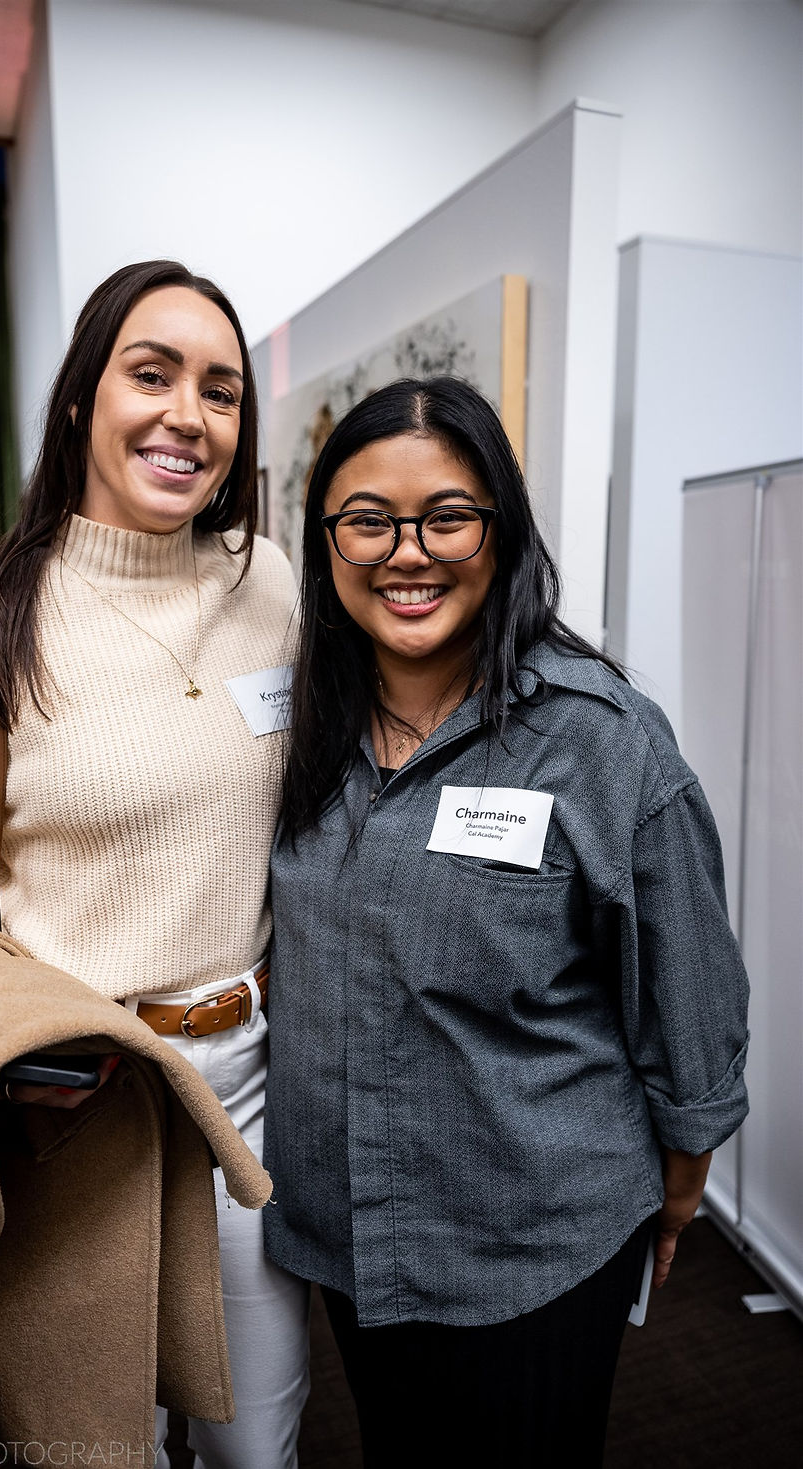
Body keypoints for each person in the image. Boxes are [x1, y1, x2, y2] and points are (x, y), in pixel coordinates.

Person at [0, 260, 308, 1468]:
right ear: (77, 398)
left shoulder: (267, 582)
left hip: (253, 1088)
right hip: (81, 1106)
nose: (186, 415)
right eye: (150, 374)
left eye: (219, 390)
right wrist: (22, 1059)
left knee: (257, 1442)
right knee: (96, 1443)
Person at [263, 377, 749, 1467]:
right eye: (367, 520)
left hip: (533, 1243)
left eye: (446, 516)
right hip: (347, 1231)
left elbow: (689, 992)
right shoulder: (301, 728)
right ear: (325, 540)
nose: (406, 553)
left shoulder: (601, 740)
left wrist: (679, 1182)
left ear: (503, 528)